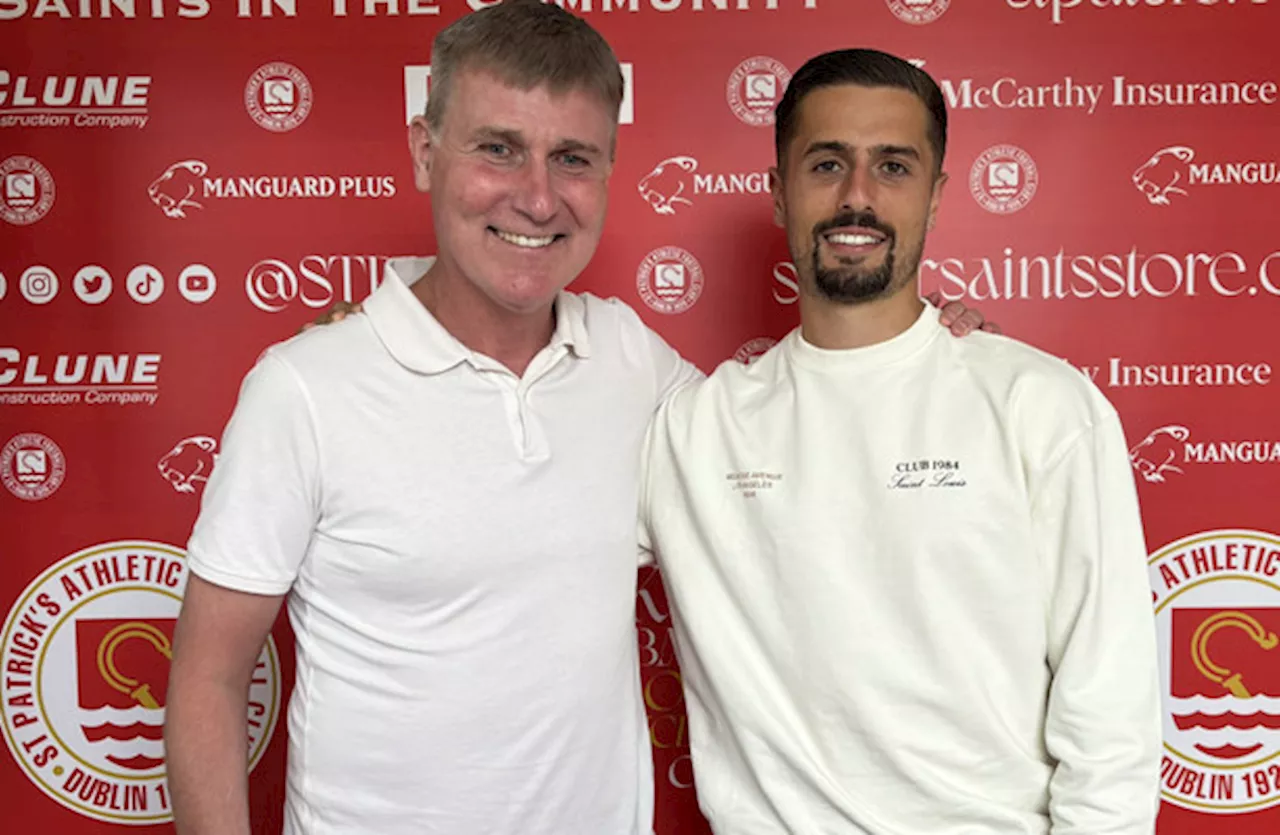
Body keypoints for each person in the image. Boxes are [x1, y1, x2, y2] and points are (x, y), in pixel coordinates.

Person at [163, 4, 992, 835]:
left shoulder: (633, 362)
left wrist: (912, 348)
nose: (535, 197)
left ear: (607, 171)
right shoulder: (306, 386)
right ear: (425, 152)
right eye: (497, 148)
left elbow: (792, 429)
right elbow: (208, 678)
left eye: (572, 158)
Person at [638, 48, 1162, 834]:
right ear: (779, 193)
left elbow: (1111, 717)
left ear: (937, 194)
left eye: (892, 166)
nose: (858, 197)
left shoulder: (1039, 404)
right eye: (826, 164)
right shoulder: (690, 429)